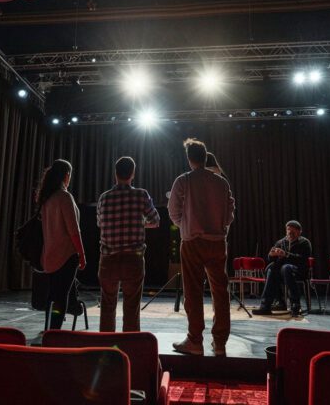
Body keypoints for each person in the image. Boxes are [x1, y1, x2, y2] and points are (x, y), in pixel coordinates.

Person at [168, 139, 235, 356]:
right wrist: (220, 226)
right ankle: (220, 343)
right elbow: (229, 212)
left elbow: (173, 211)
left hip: (192, 241)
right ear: (206, 157)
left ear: (189, 159)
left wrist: (185, 224)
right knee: (220, 292)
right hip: (217, 241)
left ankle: (195, 341)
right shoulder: (222, 183)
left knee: (193, 292)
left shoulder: (183, 180)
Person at [97, 156, 160, 332]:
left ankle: (107, 351)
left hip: (108, 259)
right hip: (133, 259)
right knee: (131, 308)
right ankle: (130, 349)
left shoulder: (104, 198)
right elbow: (155, 221)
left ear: (115, 174)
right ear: (132, 173)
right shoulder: (141, 195)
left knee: (107, 307)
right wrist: (140, 223)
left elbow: (100, 224)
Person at [36, 159, 86, 330]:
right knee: (61, 297)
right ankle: (55, 331)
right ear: (66, 176)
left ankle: (49, 328)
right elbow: (74, 230)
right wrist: (82, 254)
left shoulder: (46, 199)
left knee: (52, 295)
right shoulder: (65, 197)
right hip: (65, 255)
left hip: (49, 255)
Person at [252, 220, 312, 317]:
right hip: (284, 271)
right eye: (288, 230)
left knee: (286, 268)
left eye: (293, 231)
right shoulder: (281, 242)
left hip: (300, 270)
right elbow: (271, 258)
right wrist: (271, 254)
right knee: (271, 268)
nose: (290, 233)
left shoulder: (304, 243)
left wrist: (286, 254)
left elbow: (301, 259)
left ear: (299, 232)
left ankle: (295, 304)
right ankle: (267, 305)